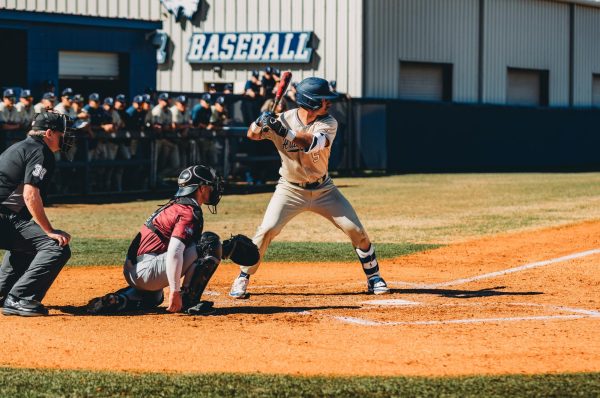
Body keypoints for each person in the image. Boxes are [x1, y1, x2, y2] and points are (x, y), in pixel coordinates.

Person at [229, 77, 390, 298]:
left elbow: (312, 143)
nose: (330, 102)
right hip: (289, 189)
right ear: (311, 101)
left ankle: (374, 277)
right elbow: (252, 135)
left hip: (324, 189)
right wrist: (260, 121)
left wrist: (284, 131)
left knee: (356, 231)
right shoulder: (282, 118)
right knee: (266, 231)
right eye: (325, 99)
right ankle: (243, 277)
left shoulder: (329, 122)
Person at [86, 165, 226, 315]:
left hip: (135, 270)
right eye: (210, 185)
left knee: (154, 297)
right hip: (146, 270)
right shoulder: (188, 212)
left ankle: (121, 299)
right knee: (209, 243)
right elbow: (175, 251)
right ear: (201, 188)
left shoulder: (175, 205)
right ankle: (188, 301)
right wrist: (175, 291)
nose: (213, 189)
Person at [0, 112, 73, 316]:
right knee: (55, 247)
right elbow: (30, 194)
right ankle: (20, 298)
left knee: (27, 244)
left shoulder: (21, 147)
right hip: (4, 216)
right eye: (61, 134)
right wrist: (48, 230)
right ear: (49, 133)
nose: (64, 138)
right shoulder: (40, 151)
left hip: (6, 216)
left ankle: (3, 292)